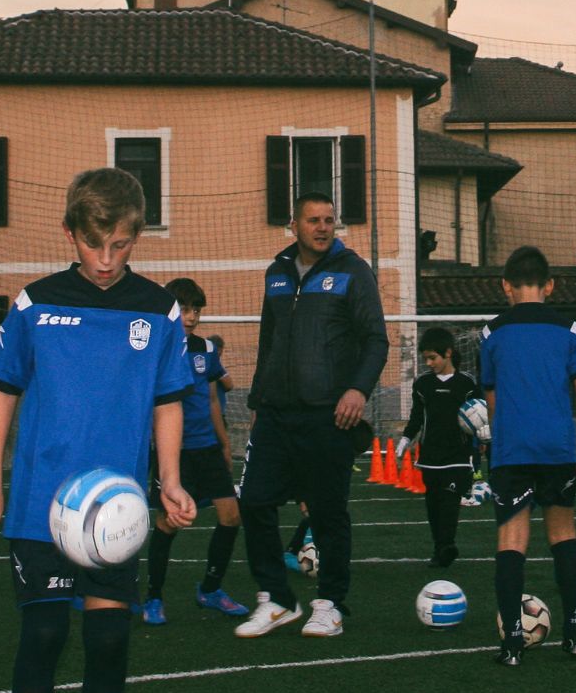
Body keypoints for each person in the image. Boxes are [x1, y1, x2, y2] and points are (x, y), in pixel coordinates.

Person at [0, 168, 196, 693]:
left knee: (110, 639)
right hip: (39, 501)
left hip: (116, 506)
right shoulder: (34, 303)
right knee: (45, 633)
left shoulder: (158, 310)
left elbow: (167, 402)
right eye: (94, 244)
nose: (106, 259)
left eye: (119, 245)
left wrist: (171, 482)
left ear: (136, 236)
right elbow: (2, 392)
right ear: (70, 233)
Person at [234, 191, 388, 640]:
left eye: (329, 220)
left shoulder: (353, 272)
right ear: (294, 225)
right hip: (277, 414)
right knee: (255, 500)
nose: (322, 227)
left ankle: (331, 604)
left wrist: (358, 389)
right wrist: (258, 404)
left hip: (329, 417)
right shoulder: (276, 274)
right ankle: (278, 600)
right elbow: (269, 344)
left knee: (326, 512)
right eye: (313, 220)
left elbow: (376, 340)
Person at [482, 244, 576, 665]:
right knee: (563, 535)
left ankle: (512, 644)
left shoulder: (492, 333)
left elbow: (492, 401)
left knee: (512, 540)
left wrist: (501, 440)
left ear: (505, 286)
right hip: (557, 447)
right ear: (549, 285)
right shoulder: (570, 330)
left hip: (512, 450)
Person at [138, 277, 249, 625]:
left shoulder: (206, 350)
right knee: (169, 523)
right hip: (174, 453)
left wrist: (224, 440)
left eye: (196, 310)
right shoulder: (155, 349)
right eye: (185, 309)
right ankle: (153, 597)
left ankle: (211, 590)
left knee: (231, 517)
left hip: (207, 447)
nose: (191, 317)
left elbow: (213, 398)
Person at [395, 326, 482, 568]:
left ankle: (447, 545)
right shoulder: (422, 385)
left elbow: (480, 415)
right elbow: (416, 418)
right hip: (430, 455)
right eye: (426, 359)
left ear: (448, 353)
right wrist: (404, 442)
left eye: (433, 358)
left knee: (450, 500)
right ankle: (440, 548)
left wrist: (485, 436)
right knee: (433, 504)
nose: (429, 363)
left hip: (458, 455)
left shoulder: (467, 384)